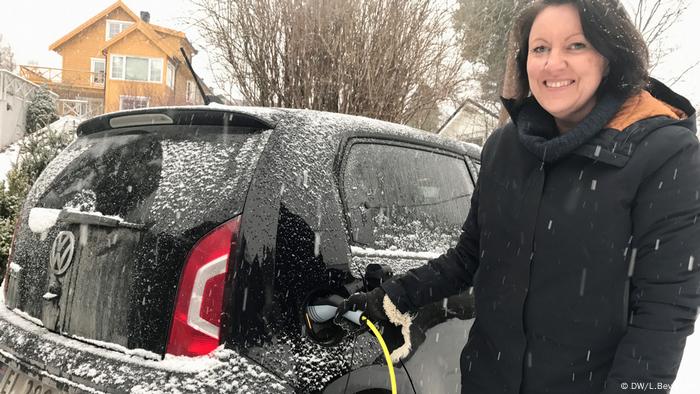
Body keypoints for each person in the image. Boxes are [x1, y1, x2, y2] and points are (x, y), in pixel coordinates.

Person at [339, 0, 700, 393]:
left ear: (610, 56)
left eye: (576, 45)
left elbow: (664, 310)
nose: (552, 63)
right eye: (539, 48)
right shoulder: (504, 147)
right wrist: (391, 297)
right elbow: (470, 257)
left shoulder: (664, 153)